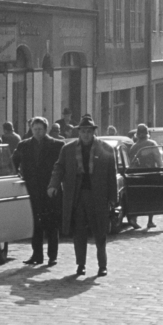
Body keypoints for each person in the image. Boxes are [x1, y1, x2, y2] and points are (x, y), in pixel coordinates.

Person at [49, 114, 117, 276]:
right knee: (79, 233)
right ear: (79, 132)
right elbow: (59, 168)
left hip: (97, 197)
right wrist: (53, 185)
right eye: (83, 131)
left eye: (89, 131)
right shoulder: (68, 149)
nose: (86, 134)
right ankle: (81, 264)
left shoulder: (106, 149)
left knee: (100, 233)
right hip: (77, 197)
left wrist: (113, 198)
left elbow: (111, 176)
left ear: (94, 132)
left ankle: (102, 265)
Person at [15, 117, 63, 265]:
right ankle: (37, 255)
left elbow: (62, 166)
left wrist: (56, 184)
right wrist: (18, 174)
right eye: (34, 129)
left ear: (46, 129)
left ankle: (52, 256)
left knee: (51, 223)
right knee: (35, 223)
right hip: (32, 189)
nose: (37, 132)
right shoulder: (24, 145)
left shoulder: (57, 145)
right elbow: (13, 161)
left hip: (50, 189)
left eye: (40, 129)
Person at [127, 124, 161, 230]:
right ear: (147, 133)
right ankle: (150, 221)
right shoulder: (152, 144)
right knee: (151, 196)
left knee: (138, 196)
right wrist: (161, 169)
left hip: (136, 175)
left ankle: (134, 218)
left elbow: (130, 163)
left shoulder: (133, 147)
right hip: (150, 173)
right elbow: (158, 159)